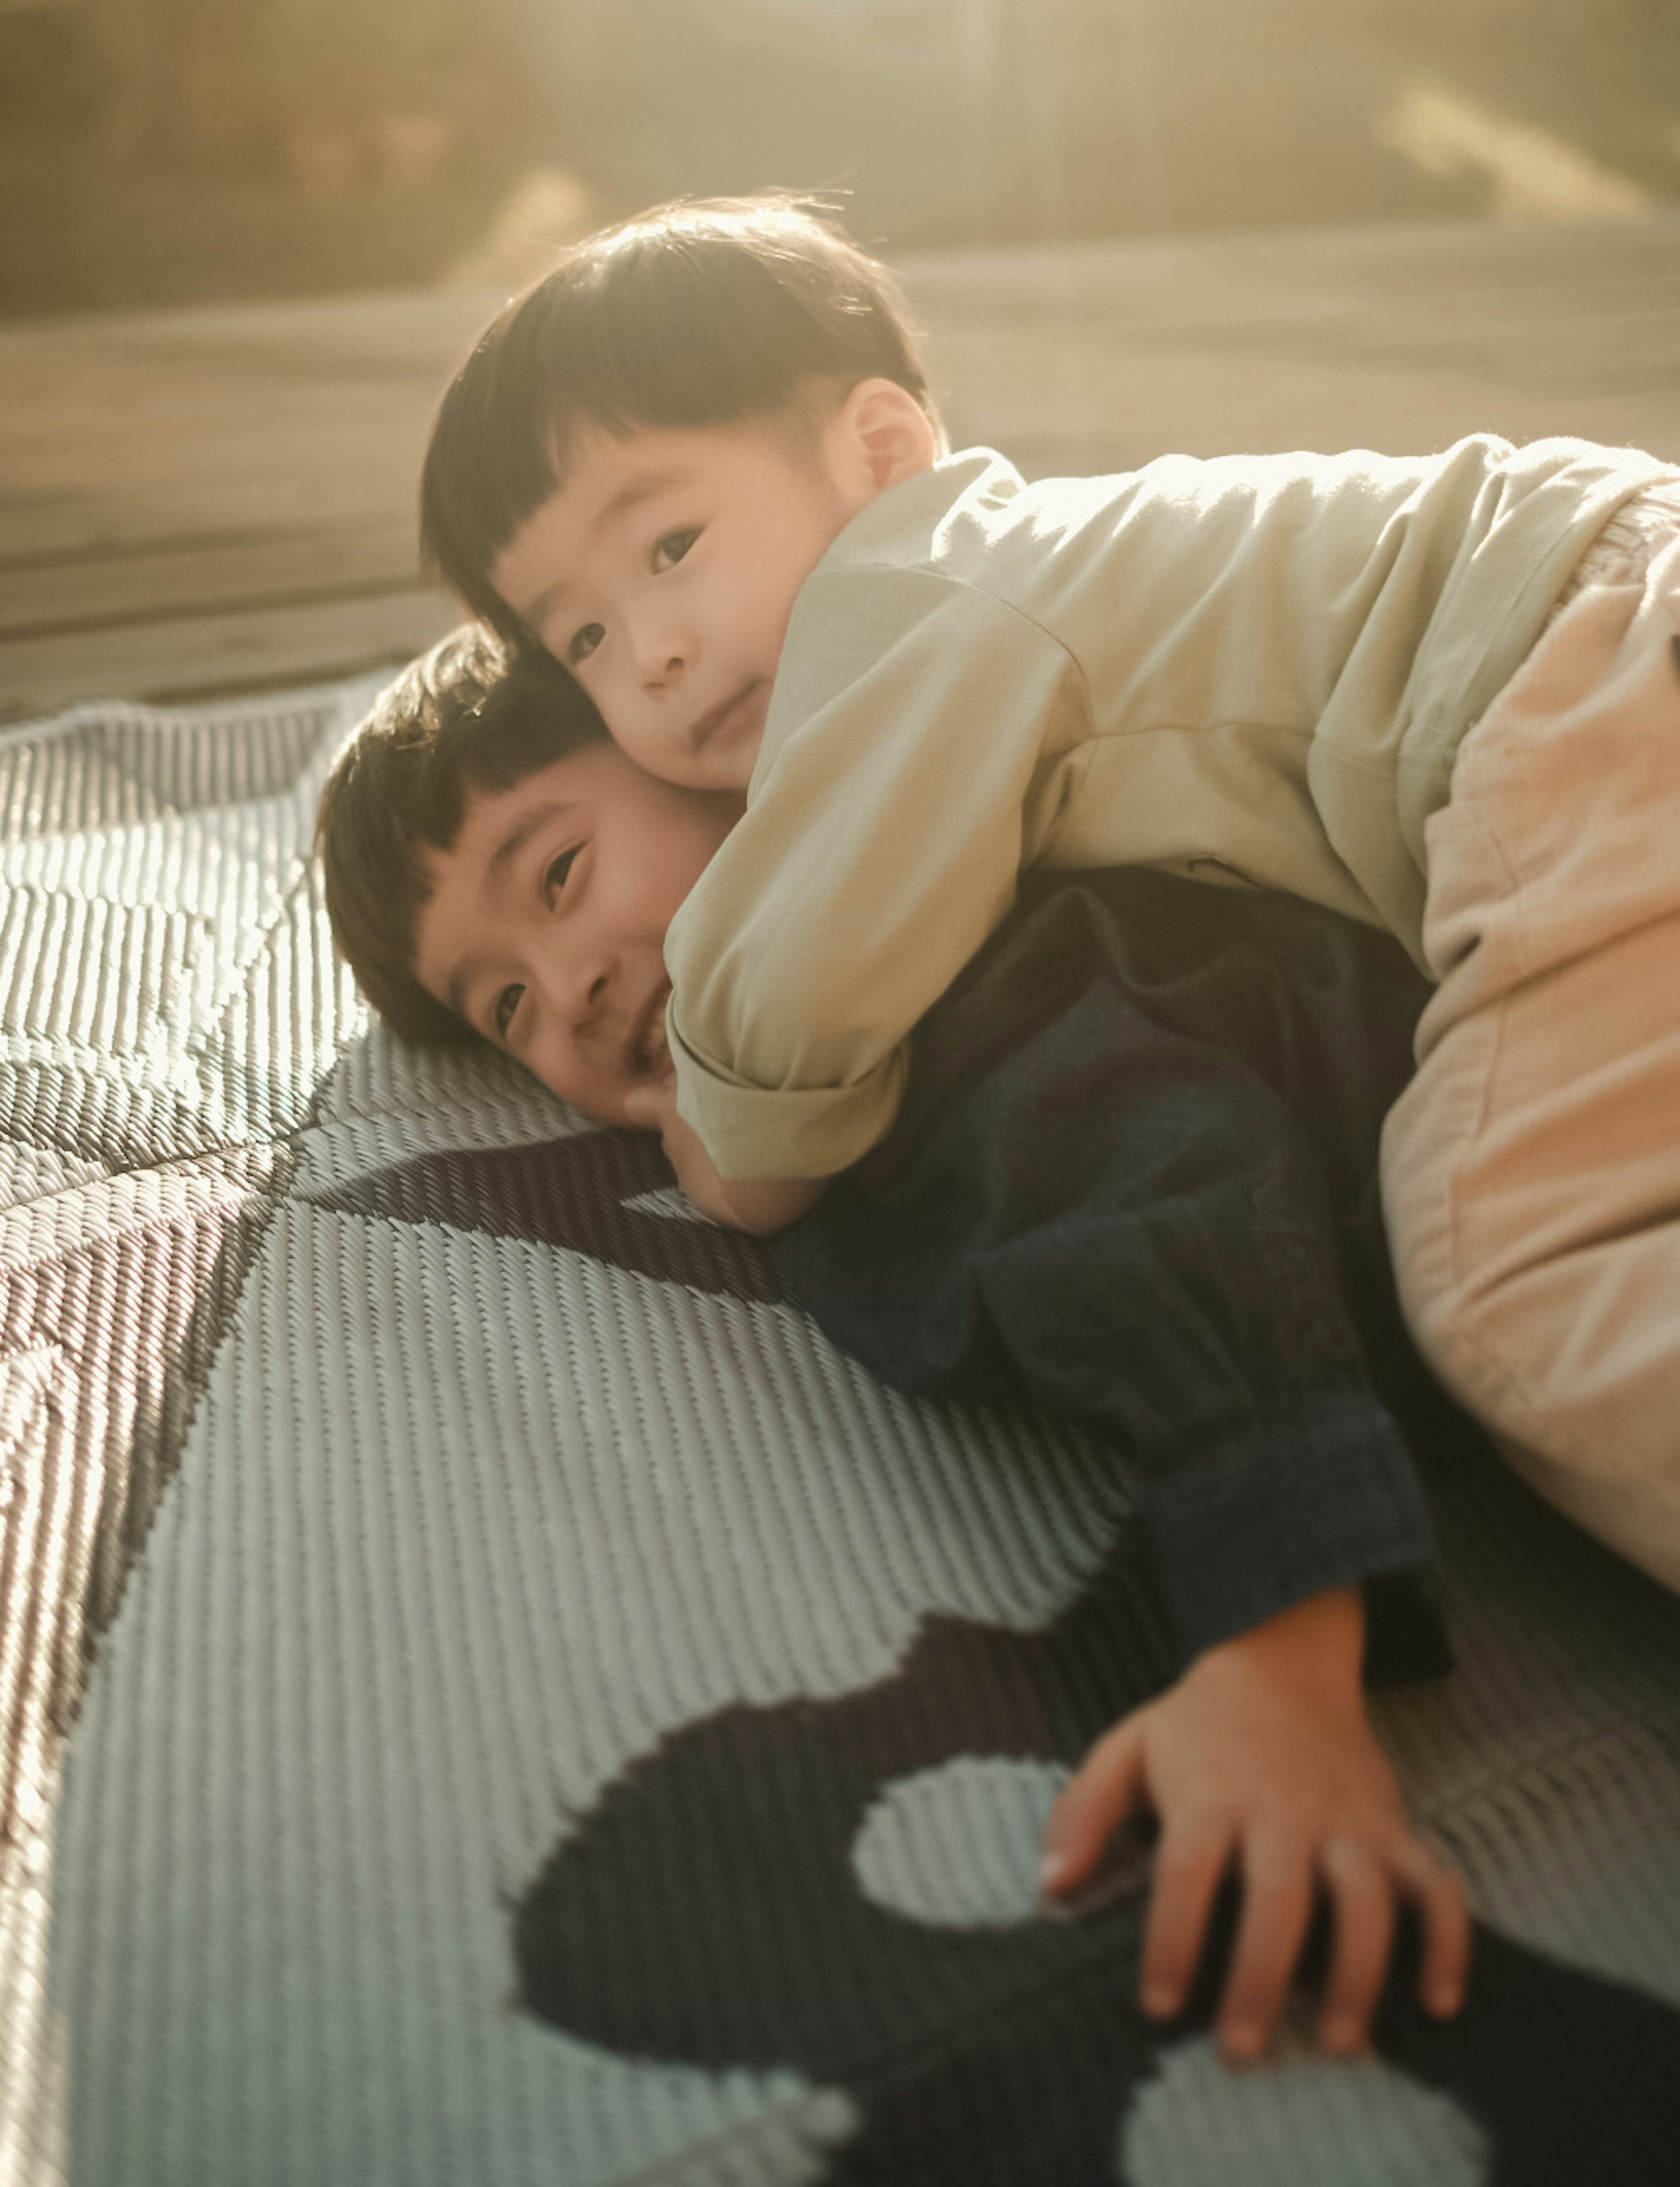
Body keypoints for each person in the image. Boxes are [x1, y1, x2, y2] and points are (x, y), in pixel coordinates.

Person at [418, 197, 1680, 1602]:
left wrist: (719, 1138)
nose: (649, 651)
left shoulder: (906, 596)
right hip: (1609, 609)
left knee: (1506, 1288)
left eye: (669, 548)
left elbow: (803, 958)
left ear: (879, 455)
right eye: (582, 633)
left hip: (1577, 683)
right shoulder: (1023, 568)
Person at [316, 626, 1472, 2069]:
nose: (570, 994)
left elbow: (1164, 1196)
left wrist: (1281, 1654)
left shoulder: (955, 971)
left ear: (729, 761)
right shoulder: (817, 1071)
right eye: (504, 1008)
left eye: (559, 875)